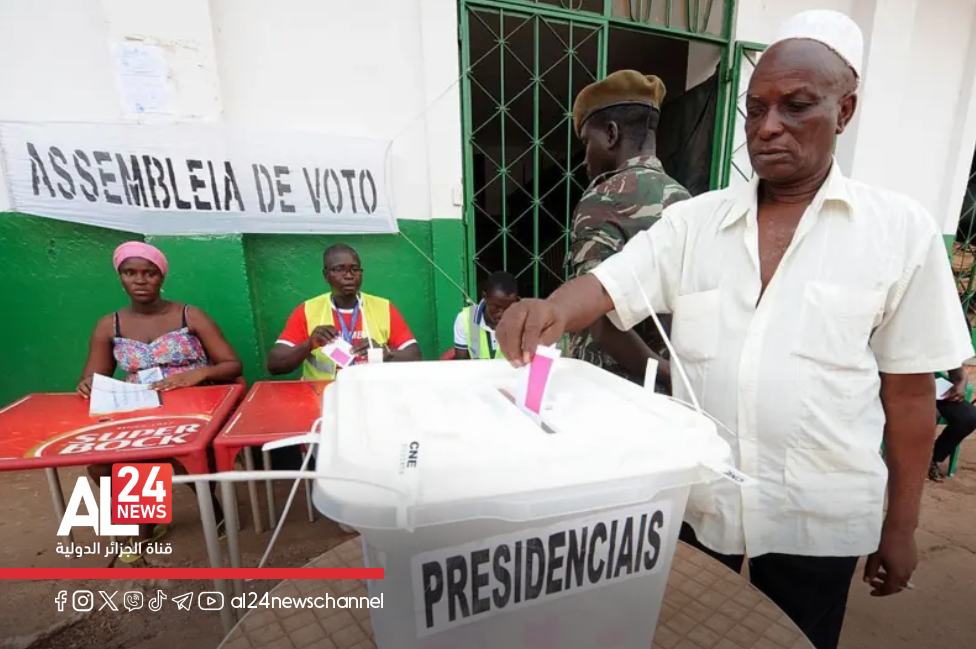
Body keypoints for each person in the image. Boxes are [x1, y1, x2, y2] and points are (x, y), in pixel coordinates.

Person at [494, 10, 973, 649]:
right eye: (755, 109)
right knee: (688, 635)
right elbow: (609, 284)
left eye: (797, 106)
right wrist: (552, 308)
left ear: (846, 109)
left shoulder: (899, 231)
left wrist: (902, 526)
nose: (768, 127)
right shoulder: (697, 221)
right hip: (700, 503)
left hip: (816, 518)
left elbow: (910, 398)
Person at [78, 241, 242, 562]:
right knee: (102, 466)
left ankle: (195, 512)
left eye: (149, 273)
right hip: (138, 408)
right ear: (120, 277)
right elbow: (94, 377)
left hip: (193, 405)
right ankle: (148, 518)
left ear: (161, 277)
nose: (140, 280)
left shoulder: (189, 315)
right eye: (130, 273)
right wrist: (88, 383)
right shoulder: (108, 325)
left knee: (181, 457)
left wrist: (200, 374)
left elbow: (232, 365)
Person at [567, 70, 691, 393]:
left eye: (586, 144)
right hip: (663, 396)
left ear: (610, 134)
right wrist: (671, 376)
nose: (584, 161)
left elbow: (601, 325)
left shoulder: (601, 200)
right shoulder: (687, 202)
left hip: (609, 391)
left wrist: (664, 373)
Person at [267, 243, 421, 379]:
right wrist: (308, 345)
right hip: (321, 395)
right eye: (339, 269)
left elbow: (415, 357)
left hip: (371, 392)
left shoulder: (383, 307)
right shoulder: (308, 310)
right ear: (326, 275)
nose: (349, 276)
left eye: (354, 269)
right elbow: (275, 366)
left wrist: (385, 352)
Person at [453, 271, 519, 360]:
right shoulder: (465, 319)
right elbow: (462, 364)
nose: (503, 314)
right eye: (496, 307)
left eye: (509, 308)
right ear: (484, 296)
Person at [931, 366, 976, 481]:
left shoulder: (939, 347)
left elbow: (956, 368)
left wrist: (961, 381)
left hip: (935, 389)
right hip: (903, 391)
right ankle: (908, 461)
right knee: (928, 416)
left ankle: (932, 458)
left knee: (968, 417)